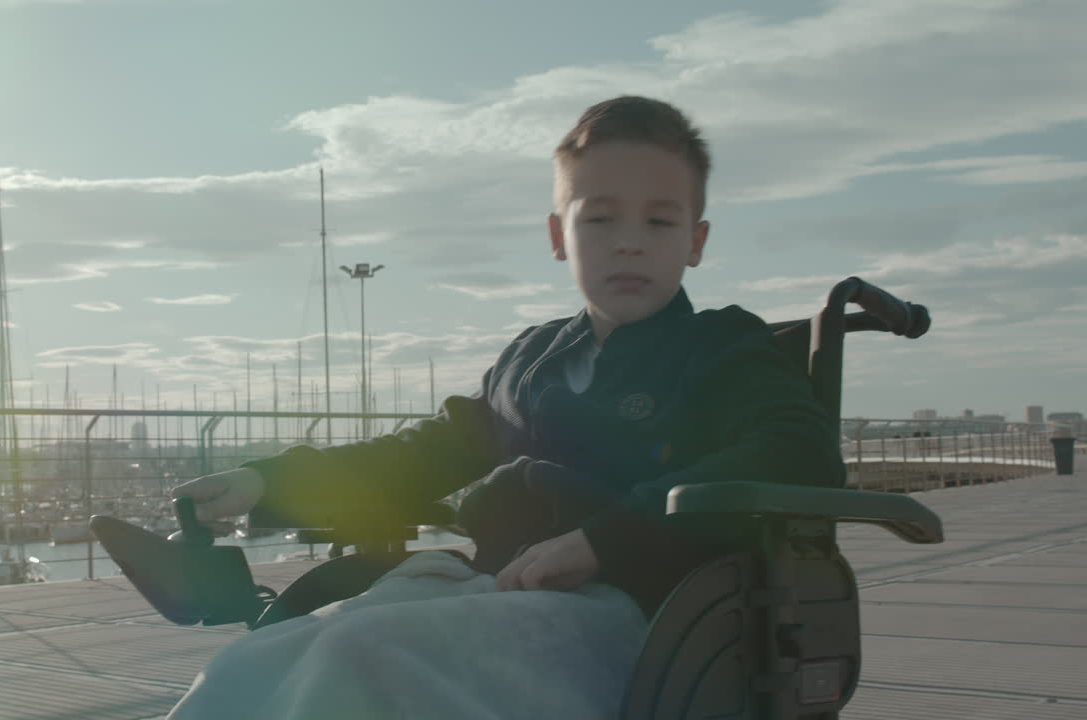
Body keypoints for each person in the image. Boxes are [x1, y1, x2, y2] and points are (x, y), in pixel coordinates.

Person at [163, 95, 843, 719]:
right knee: (259, 657)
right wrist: (265, 482)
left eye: (658, 220)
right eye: (599, 218)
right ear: (558, 237)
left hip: (633, 615)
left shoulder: (721, 351)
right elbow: (421, 456)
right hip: (485, 594)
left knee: (360, 656)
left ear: (695, 241)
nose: (628, 240)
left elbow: (796, 450)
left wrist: (604, 541)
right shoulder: (530, 359)